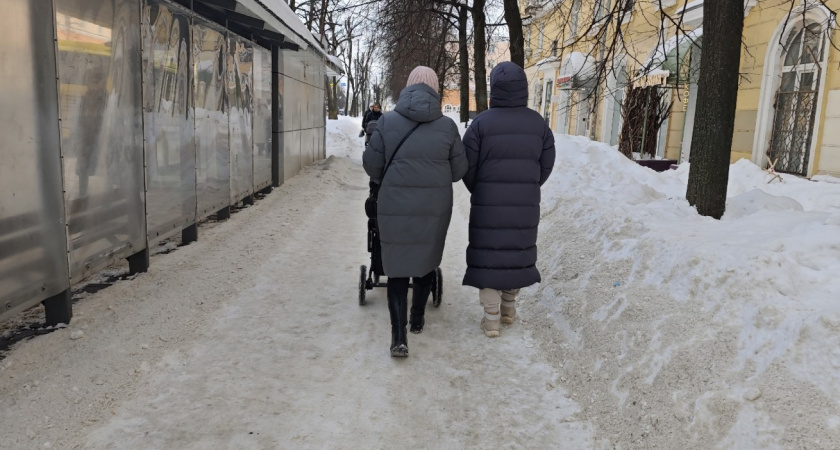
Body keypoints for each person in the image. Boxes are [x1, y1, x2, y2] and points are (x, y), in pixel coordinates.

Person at [363, 66, 468, 357]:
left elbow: (372, 167)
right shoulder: (447, 127)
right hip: (434, 208)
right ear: (434, 91)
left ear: (408, 88)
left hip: (393, 205)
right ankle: (418, 319)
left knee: (396, 266)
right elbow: (459, 170)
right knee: (425, 260)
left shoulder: (386, 122)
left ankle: (399, 337)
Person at [461, 61, 556, 338]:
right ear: (523, 89)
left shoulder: (480, 123)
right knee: (515, 255)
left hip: (487, 206)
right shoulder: (538, 124)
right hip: (524, 206)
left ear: (495, 90)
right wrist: (529, 185)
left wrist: (480, 189)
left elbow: (468, 167)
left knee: (488, 259)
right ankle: (509, 309)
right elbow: (547, 163)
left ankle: (490, 319)